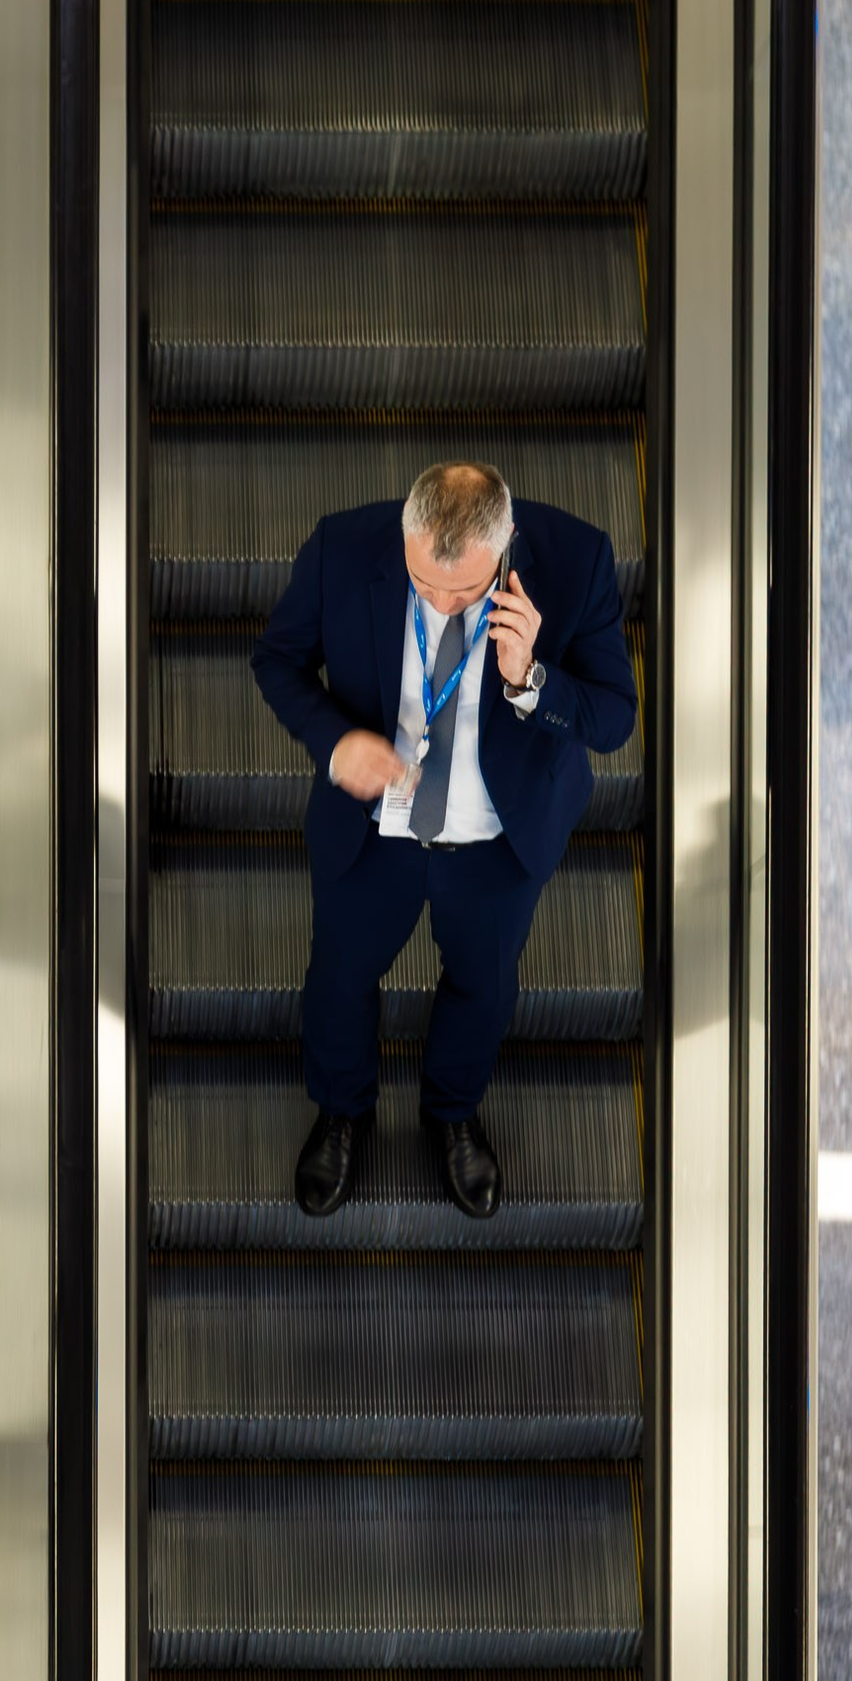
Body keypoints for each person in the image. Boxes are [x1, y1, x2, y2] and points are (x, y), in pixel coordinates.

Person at [251, 460, 637, 1218]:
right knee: (338, 979)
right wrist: (335, 742)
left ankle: (451, 1111)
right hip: (376, 826)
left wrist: (531, 679)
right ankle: (342, 1109)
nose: (439, 604)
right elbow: (277, 660)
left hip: (497, 837)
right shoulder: (341, 548)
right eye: (423, 582)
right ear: (406, 533)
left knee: (483, 987)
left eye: (464, 592)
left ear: (507, 541)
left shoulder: (578, 560)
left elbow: (614, 718)